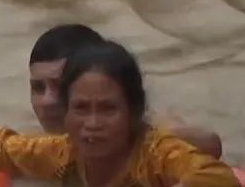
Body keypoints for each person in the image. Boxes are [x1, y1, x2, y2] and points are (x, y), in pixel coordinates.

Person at [0, 40, 242, 187]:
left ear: (134, 113)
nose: (92, 123)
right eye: (80, 108)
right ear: (65, 114)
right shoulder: (58, 153)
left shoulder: (158, 154)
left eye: (108, 109)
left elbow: (220, 180)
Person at [28, 24, 223, 159]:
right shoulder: (39, 147)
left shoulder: (150, 128)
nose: (47, 101)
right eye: (37, 87)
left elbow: (209, 145)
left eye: (58, 85)